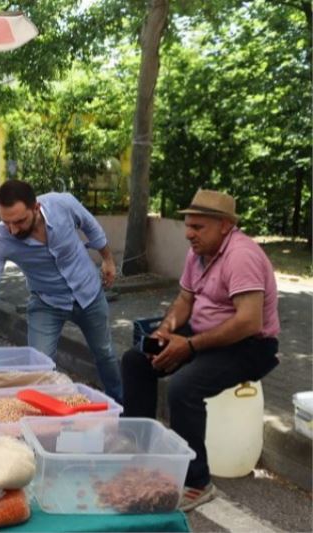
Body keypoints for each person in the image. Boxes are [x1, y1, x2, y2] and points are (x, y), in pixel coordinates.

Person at [120, 189, 280, 511]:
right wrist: (167, 329)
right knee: (136, 360)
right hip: (204, 333)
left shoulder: (241, 256)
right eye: (188, 226)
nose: (189, 234)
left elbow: (249, 322)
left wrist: (189, 346)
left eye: (198, 227)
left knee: (184, 387)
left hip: (251, 345)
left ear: (224, 225)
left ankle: (198, 481)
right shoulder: (199, 252)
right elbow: (185, 300)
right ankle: (139, 452)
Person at [0, 179, 122, 402]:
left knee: (105, 355)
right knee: (38, 369)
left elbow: (92, 228)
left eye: (19, 221)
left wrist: (108, 260)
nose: (13, 229)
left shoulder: (63, 204)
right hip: (46, 303)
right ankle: (45, 422)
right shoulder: (1, 239)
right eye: (6, 222)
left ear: (36, 208)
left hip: (88, 293)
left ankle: (119, 405)